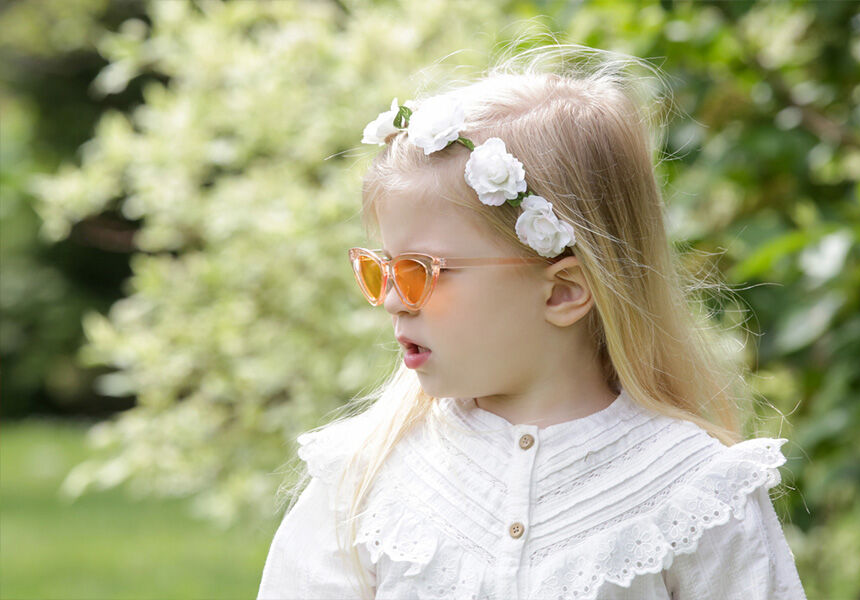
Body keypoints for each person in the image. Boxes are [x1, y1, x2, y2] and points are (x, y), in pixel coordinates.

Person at [257, 43, 808, 600]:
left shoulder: (695, 494)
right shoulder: (364, 477)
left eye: (420, 270)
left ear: (565, 291)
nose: (394, 300)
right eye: (380, 270)